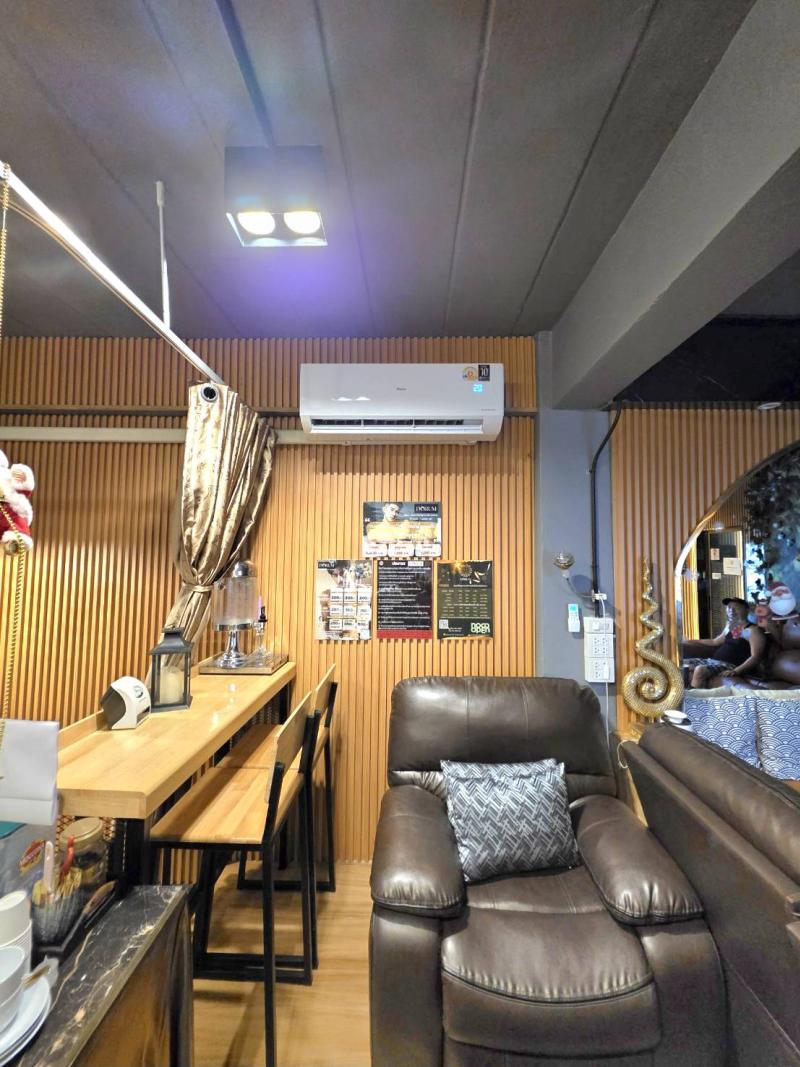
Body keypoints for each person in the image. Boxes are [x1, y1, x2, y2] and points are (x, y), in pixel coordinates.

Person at [684, 597, 766, 688]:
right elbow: (715, 642)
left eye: (736, 607)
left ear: (746, 609)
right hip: (713, 661)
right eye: (729, 607)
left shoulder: (753, 630)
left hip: (730, 665)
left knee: (700, 670)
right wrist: (690, 641)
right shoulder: (731, 627)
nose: (731, 610)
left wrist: (736, 671)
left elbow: (756, 657)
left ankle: (693, 696)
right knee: (683, 663)